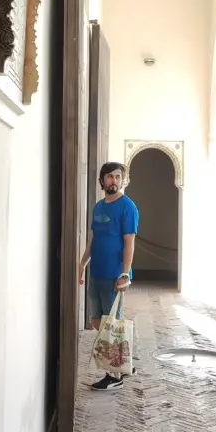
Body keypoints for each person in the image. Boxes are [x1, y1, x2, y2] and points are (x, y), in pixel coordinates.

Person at [79, 161, 139, 390]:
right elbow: (93, 239)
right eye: (109, 177)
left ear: (123, 180)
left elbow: (129, 242)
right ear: (102, 180)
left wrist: (125, 272)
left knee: (111, 323)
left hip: (115, 275)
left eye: (117, 177)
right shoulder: (98, 206)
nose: (113, 181)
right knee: (97, 321)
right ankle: (123, 361)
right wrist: (82, 264)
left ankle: (115, 376)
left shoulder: (128, 207)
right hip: (97, 272)